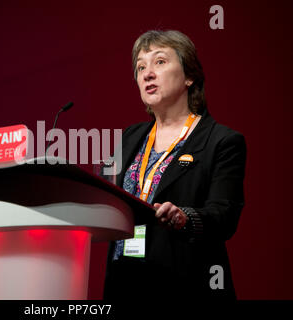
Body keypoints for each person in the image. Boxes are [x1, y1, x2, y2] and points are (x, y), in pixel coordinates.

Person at [103, 30, 246, 300]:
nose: (147, 74)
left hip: (183, 283)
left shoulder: (222, 142)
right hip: (124, 282)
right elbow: (108, 194)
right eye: (140, 67)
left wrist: (184, 218)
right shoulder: (130, 137)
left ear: (189, 76)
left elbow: (224, 216)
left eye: (159, 62)